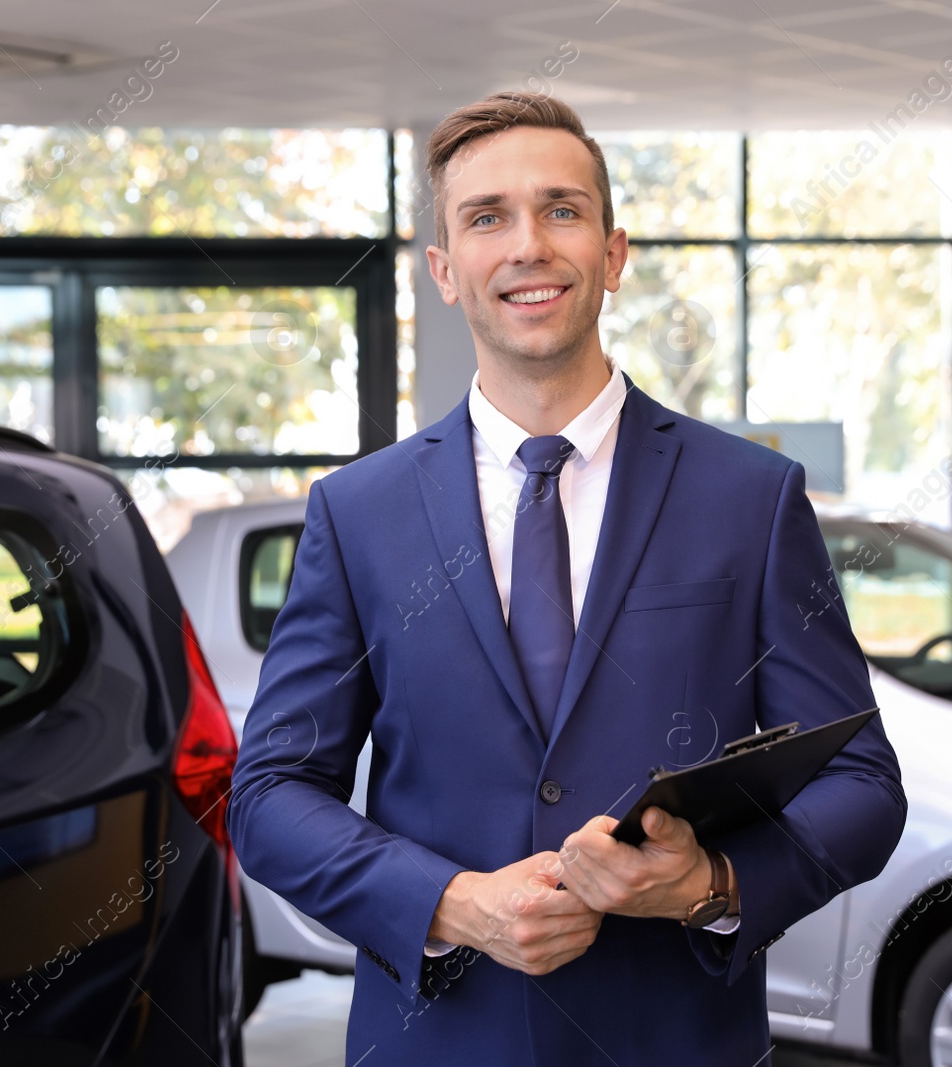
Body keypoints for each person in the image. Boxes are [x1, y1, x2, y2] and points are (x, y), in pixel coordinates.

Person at [227, 90, 906, 1064]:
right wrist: (452, 903)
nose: (527, 246)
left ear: (613, 251)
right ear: (445, 271)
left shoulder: (748, 495)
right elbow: (272, 792)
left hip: (675, 1038)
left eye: (561, 210)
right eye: (485, 217)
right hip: (438, 1040)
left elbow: (861, 778)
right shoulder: (357, 511)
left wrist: (713, 880)